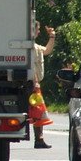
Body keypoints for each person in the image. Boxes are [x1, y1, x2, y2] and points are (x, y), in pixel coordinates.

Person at [32, 20, 56, 148]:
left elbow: (47, 50)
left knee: (38, 112)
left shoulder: (35, 47)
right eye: (37, 29)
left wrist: (52, 36)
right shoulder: (29, 47)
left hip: (34, 84)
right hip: (32, 85)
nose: (39, 31)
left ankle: (39, 139)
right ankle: (39, 139)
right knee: (39, 112)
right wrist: (35, 81)